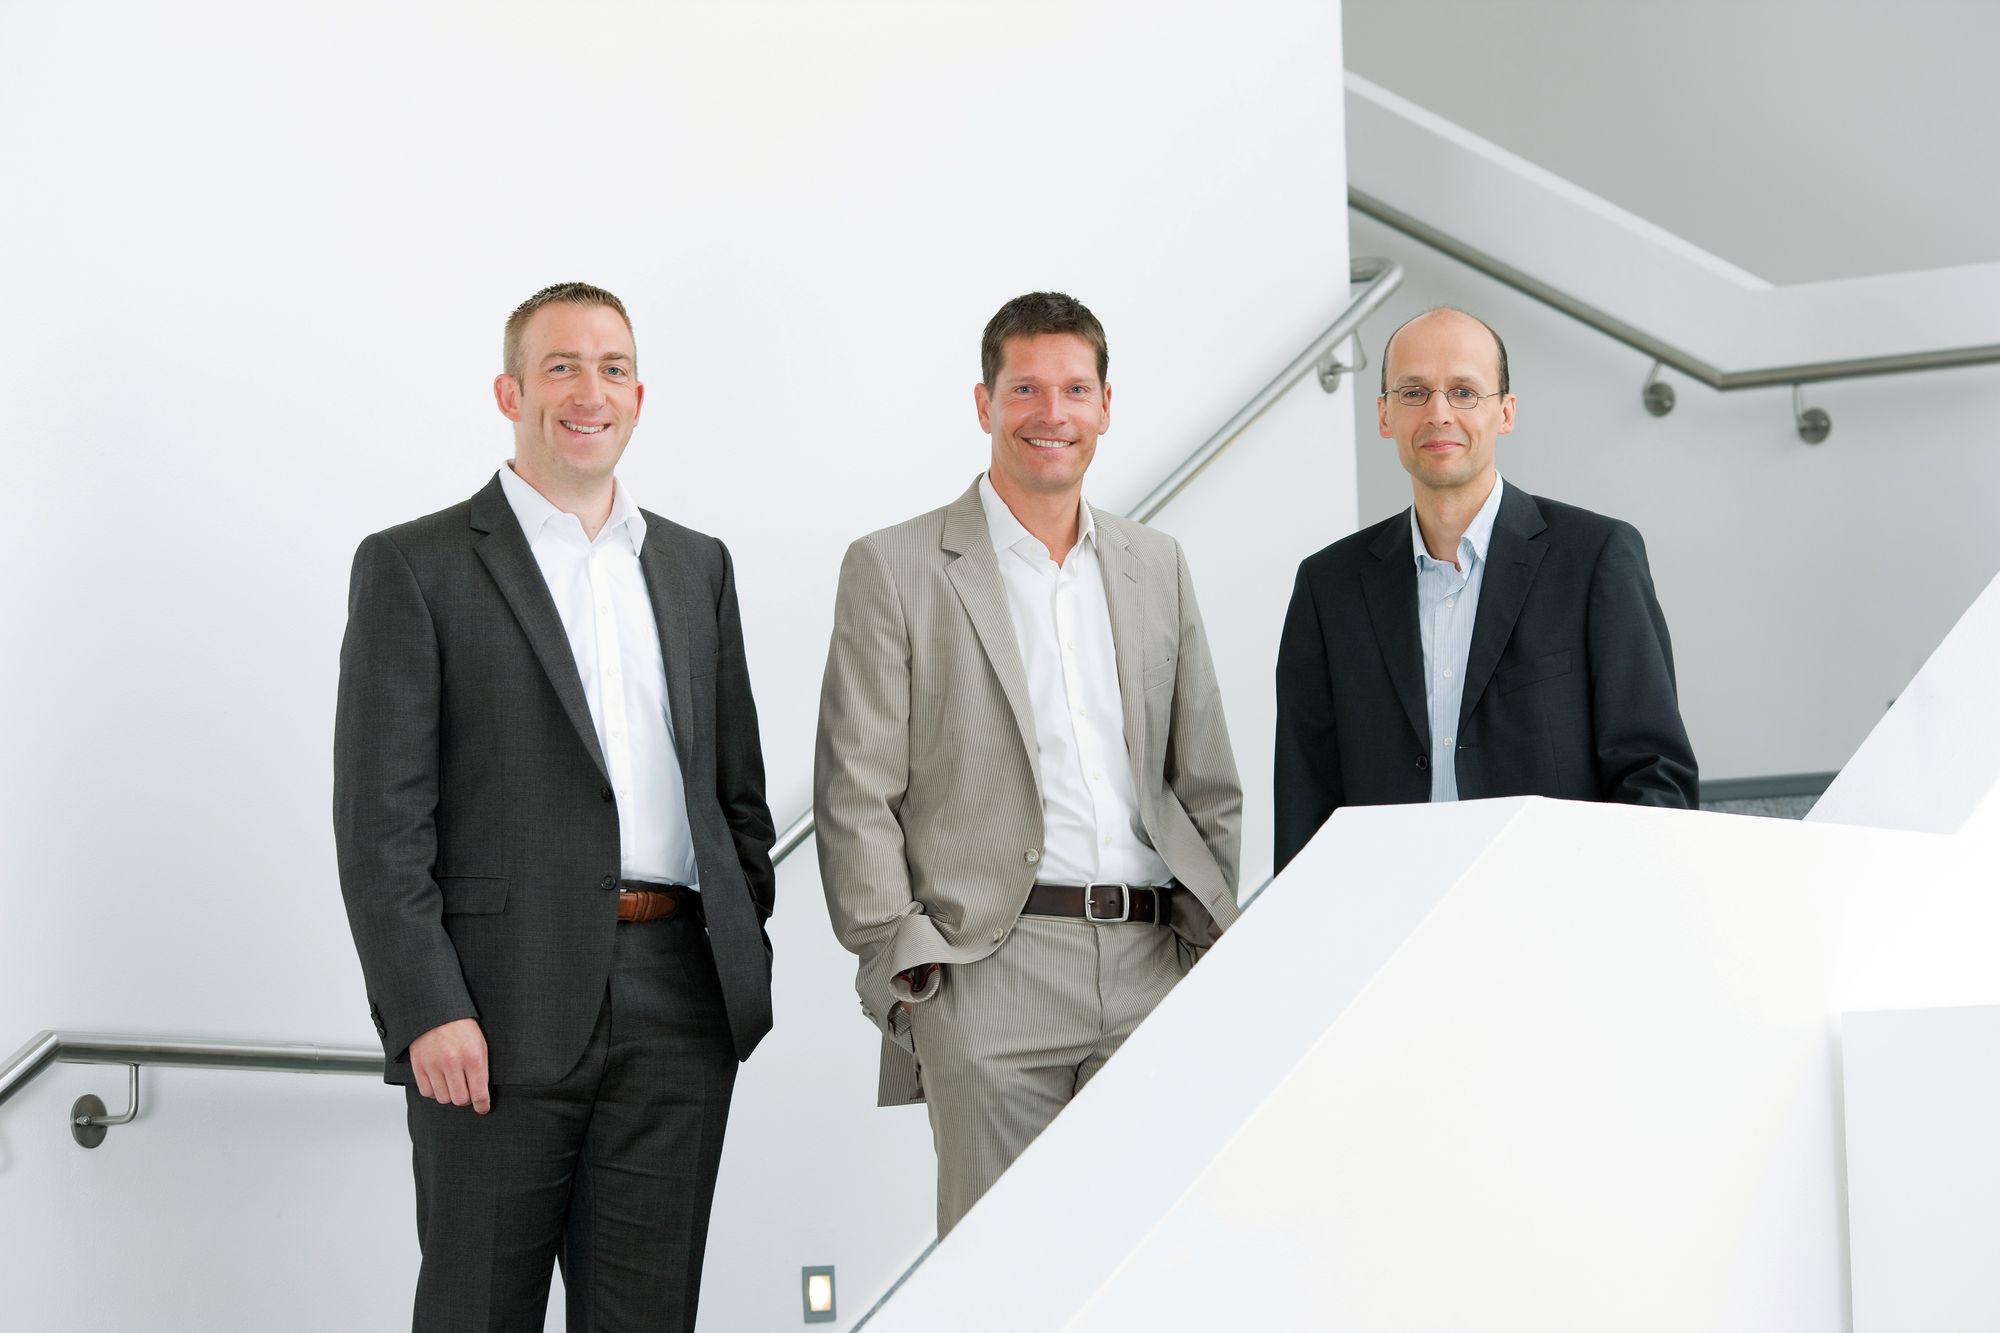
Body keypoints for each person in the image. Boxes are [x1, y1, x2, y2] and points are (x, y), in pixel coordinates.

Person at [333, 281, 775, 1330]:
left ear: (638, 392)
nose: (590, 391)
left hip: (677, 1000)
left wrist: (734, 940)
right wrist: (427, 1002)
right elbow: (380, 822)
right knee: (477, 1310)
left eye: (612, 367)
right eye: (562, 367)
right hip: (492, 1005)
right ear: (510, 389)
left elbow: (736, 794)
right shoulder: (416, 566)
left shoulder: (693, 565)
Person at [814, 291, 1243, 1237]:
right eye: (1027, 389)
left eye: (1075, 389)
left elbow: (1204, 775)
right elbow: (857, 791)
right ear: (983, 402)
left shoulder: (1154, 562)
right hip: (989, 969)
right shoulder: (896, 566)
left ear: (1105, 403)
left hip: (1149, 965)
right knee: (999, 1279)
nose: (1053, 413)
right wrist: (910, 967)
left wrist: (1203, 935)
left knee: (1153, 1263)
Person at [1274, 306, 1697, 873]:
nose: (1439, 413)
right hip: (1391, 925)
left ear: (1506, 412)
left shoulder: (1595, 559)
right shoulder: (1329, 587)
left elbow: (1655, 773)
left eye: (1465, 392)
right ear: (1384, 414)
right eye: (1414, 392)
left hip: (1553, 918)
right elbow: (1306, 796)